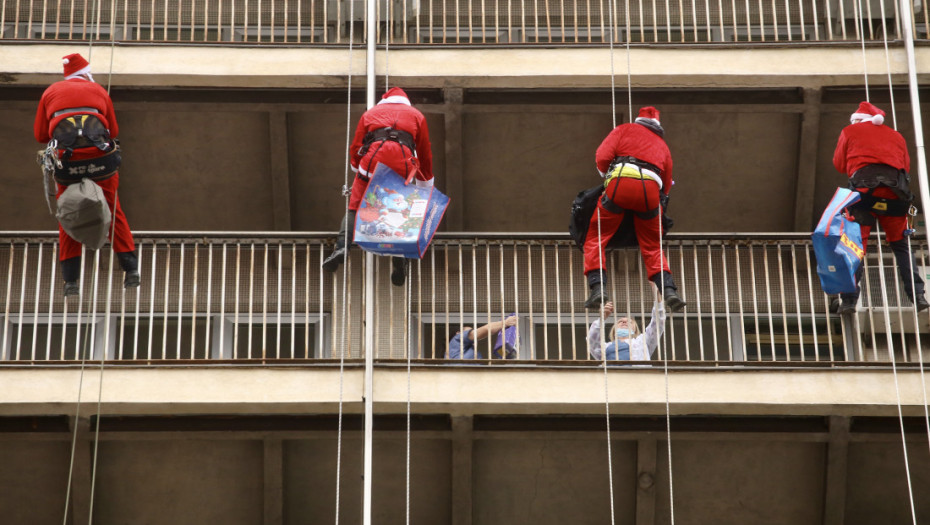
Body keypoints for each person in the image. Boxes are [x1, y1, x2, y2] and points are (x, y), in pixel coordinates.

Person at [34, 53, 139, 297]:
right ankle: (131, 269)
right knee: (113, 210)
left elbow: (41, 135)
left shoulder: (50, 92)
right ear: (86, 72)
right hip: (101, 160)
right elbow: (113, 129)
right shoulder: (98, 90)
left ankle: (71, 280)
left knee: (68, 211)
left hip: (67, 163)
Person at [321, 87, 435, 287]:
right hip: (402, 163)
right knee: (399, 208)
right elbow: (424, 152)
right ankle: (400, 261)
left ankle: (341, 247)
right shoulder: (417, 115)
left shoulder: (370, 114)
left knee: (355, 208)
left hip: (373, 160)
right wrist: (424, 182)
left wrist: (357, 167)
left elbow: (356, 146)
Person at [582, 106, 685, 312]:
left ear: (638, 120)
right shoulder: (662, 145)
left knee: (596, 236)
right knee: (653, 245)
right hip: (650, 193)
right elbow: (666, 184)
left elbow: (602, 157)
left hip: (622, 185)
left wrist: (605, 173)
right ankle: (669, 290)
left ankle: (598, 288)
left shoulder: (624, 129)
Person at [832, 101, 928, 313]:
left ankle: (849, 301)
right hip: (895, 195)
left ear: (857, 120)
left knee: (856, 246)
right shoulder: (897, 136)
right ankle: (918, 295)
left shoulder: (850, 131)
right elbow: (906, 167)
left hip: (864, 195)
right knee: (901, 246)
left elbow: (839, 164)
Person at [587, 294, 666, 363]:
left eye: (629, 322)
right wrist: (602, 318)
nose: (624, 322)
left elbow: (658, 323)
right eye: (620, 321)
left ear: (635, 330)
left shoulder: (642, 342)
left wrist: (657, 295)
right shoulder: (605, 346)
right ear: (614, 330)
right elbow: (591, 340)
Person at [447, 315, 519, 360]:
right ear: (458, 333)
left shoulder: (474, 353)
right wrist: (505, 323)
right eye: (469, 332)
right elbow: (485, 330)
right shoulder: (457, 339)